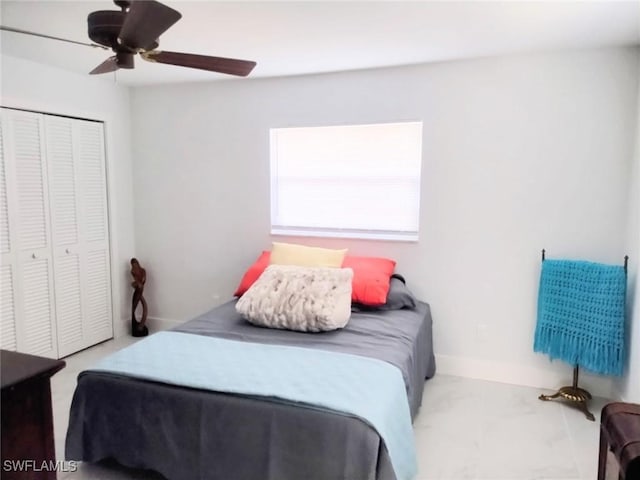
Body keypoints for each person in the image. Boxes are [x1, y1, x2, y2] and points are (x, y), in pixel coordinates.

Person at [130, 258, 149, 337]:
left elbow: (143, 279)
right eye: (133, 264)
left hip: (140, 286)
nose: (134, 265)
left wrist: (140, 283)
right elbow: (135, 280)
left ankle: (140, 325)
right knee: (135, 302)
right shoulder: (132, 271)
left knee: (141, 302)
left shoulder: (143, 270)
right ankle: (133, 314)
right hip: (137, 286)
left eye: (135, 263)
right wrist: (137, 284)